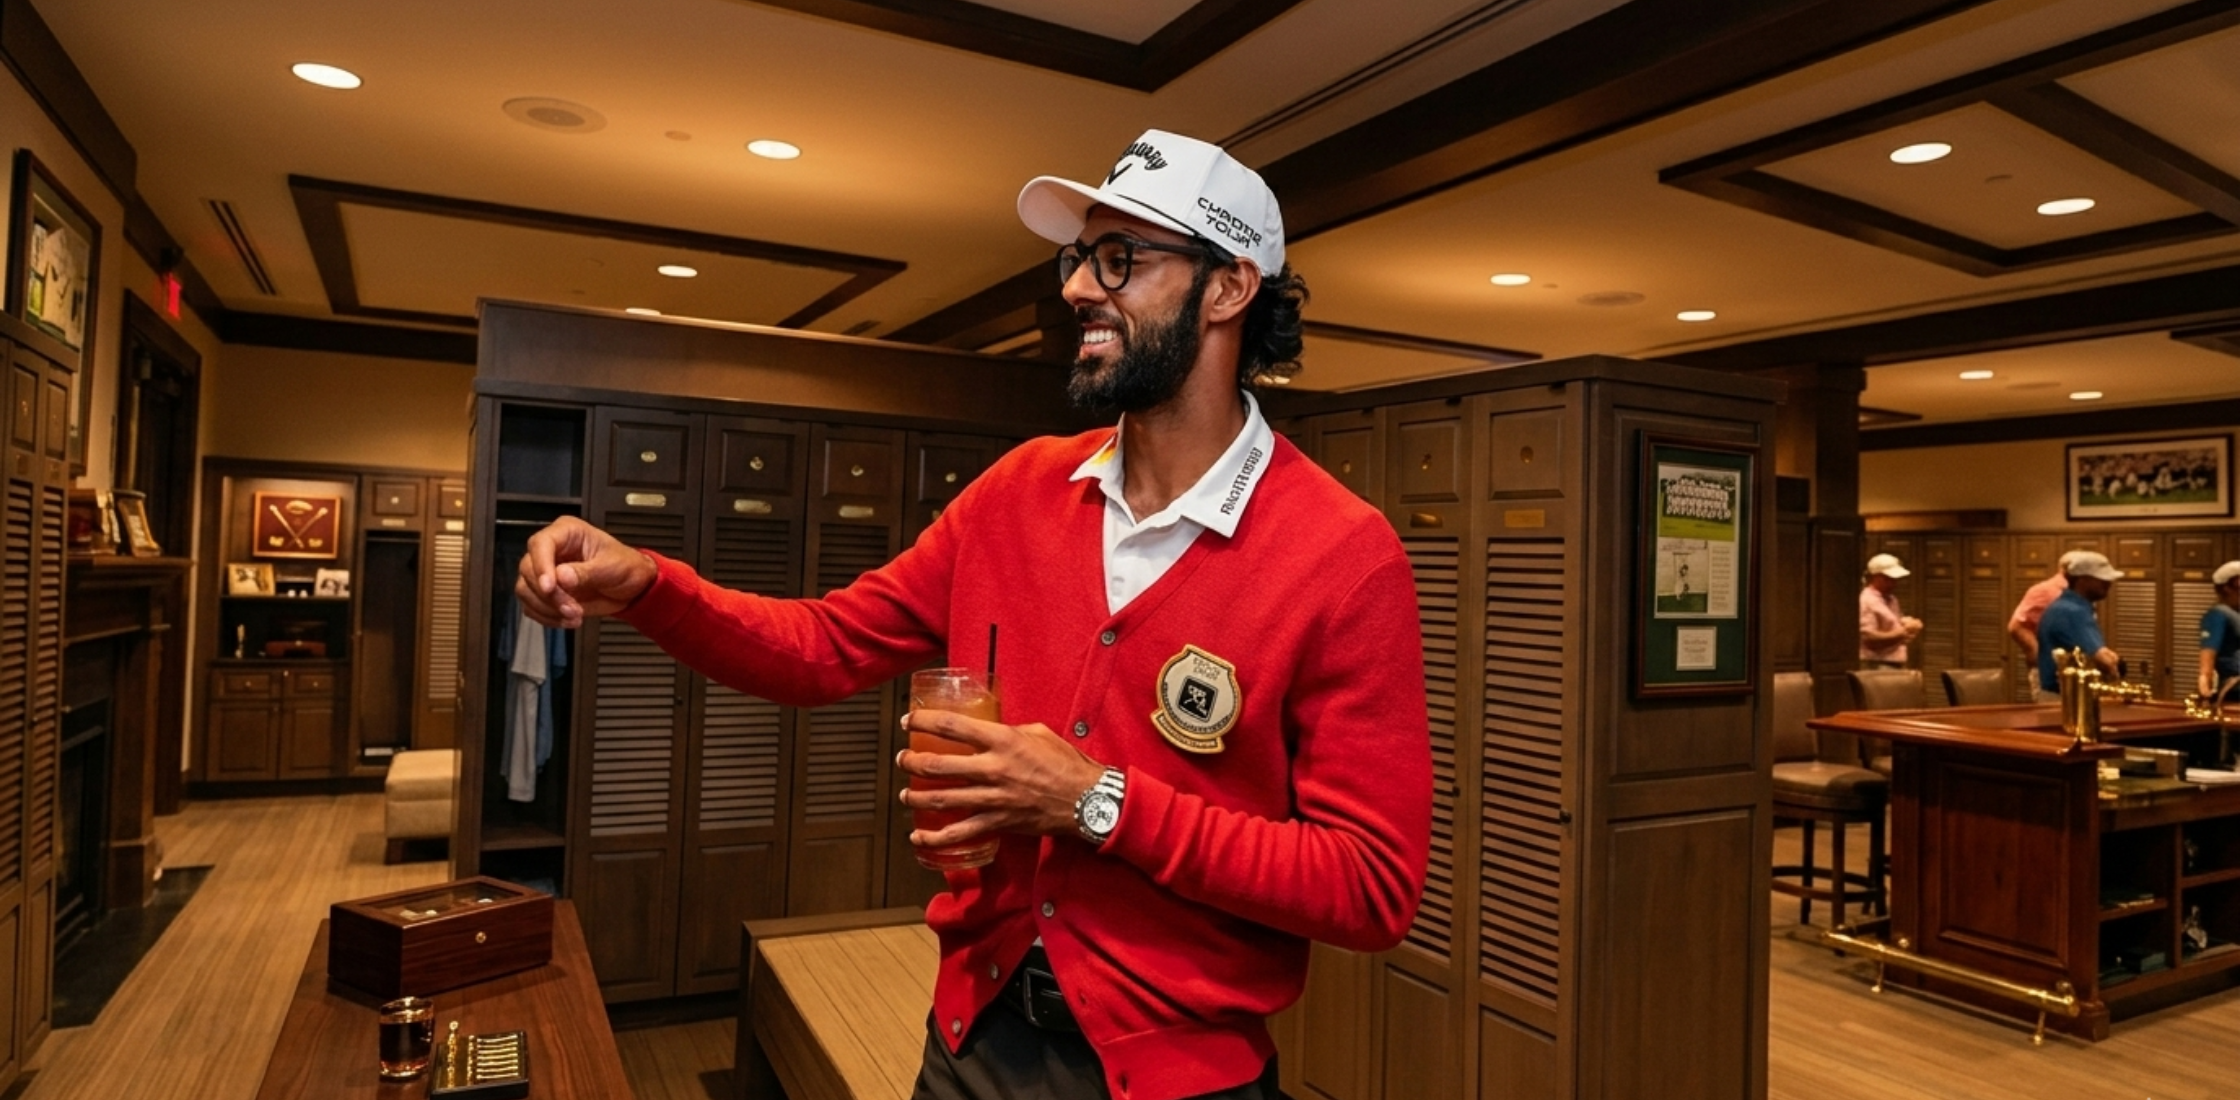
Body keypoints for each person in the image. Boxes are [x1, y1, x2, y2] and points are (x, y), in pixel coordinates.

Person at [513, 129, 1431, 1100]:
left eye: (1120, 259)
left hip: (1179, 1080)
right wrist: (649, 583)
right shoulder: (1017, 492)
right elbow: (823, 646)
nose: (1078, 288)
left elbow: (1368, 882)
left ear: (1228, 288)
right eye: (1078, 257)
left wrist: (1093, 799)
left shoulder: (1340, 552)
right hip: (968, 1043)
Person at [2035, 550, 2124, 702]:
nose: (2109, 583)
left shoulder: (2063, 607)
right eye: (2102, 579)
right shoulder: (2072, 612)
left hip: (2063, 696)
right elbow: (2102, 660)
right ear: (2082, 580)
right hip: (2067, 700)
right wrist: (2113, 665)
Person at [2007, 550, 2084, 664]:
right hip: (2050, 667)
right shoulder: (2044, 590)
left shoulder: (2078, 592)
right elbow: (2016, 627)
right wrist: (2040, 655)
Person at [1858, 553, 1923, 669]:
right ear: (1876, 577)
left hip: (1894, 660)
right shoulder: (1866, 600)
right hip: (1876, 663)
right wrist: (1903, 632)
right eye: (1888, 579)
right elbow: (1868, 637)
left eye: (1895, 579)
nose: (1893, 583)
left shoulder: (1891, 599)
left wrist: (1906, 622)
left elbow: (1890, 623)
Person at [2198, 561, 2240, 699]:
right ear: (2228, 587)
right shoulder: (2218, 614)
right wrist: (2205, 678)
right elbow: (2208, 651)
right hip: (2236, 688)